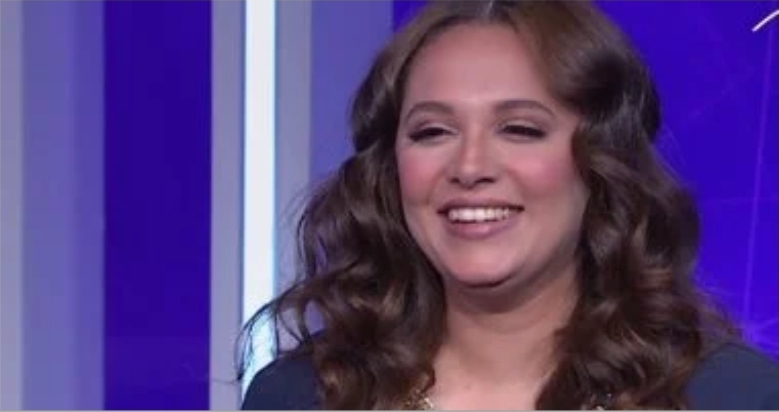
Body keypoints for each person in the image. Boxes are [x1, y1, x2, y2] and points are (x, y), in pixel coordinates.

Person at [239, 1, 778, 409]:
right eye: (432, 132)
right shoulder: (302, 394)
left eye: (519, 129)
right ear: (390, 166)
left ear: (601, 161)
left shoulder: (734, 395)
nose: (470, 166)